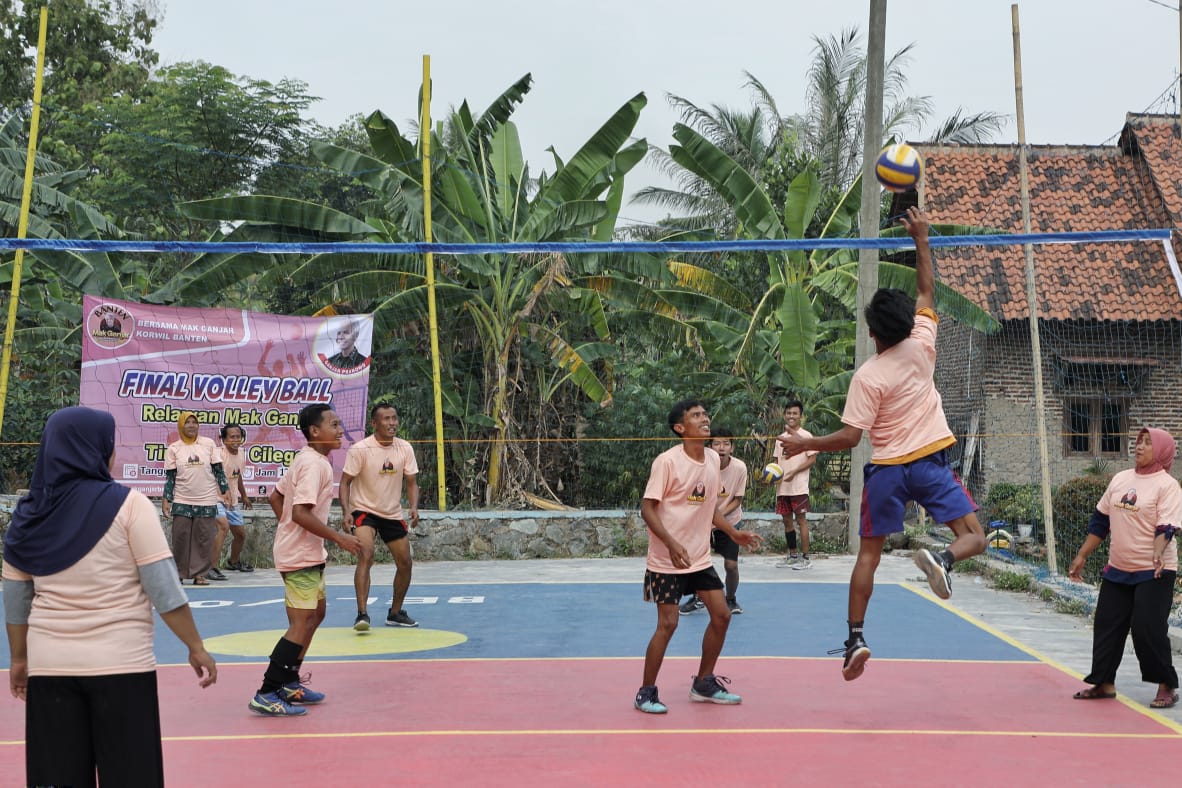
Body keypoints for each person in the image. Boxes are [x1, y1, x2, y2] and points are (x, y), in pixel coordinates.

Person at [778, 206, 986, 682]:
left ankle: (855, 637)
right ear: (905, 325)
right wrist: (921, 238)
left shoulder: (867, 376)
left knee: (868, 556)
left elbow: (851, 438)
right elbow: (927, 290)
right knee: (973, 536)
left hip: (888, 470)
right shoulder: (924, 344)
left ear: (872, 332)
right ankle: (944, 560)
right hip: (930, 464)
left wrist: (801, 445)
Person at [3, 407, 217, 786]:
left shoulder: (28, 514)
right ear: (99, 450)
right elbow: (164, 589)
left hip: (50, 667)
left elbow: (17, 599)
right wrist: (195, 646)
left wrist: (19, 659)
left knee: (57, 777)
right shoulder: (130, 505)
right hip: (123, 668)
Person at [635, 399, 762, 714]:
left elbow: (710, 507)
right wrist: (671, 542)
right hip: (667, 560)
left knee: (722, 615)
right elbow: (647, 508)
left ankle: (703, 683)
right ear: (681, 428)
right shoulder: (666, 462)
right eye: (696, 416)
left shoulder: (711, 459)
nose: (705, 419)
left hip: (699, 559)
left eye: (705, 414)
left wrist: (733, 534)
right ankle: (645, 692)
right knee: (668, 624)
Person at [249, 404, 362, 716]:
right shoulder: (315, 465)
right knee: (301, 622)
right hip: (300, 555)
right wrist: (339, 537)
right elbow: (299, 512)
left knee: (317, 614)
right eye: (334, 425)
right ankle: (268, 691)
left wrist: (288, 529)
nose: (340, 430)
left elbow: (276, 497)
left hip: (306, 552)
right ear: (315, 431)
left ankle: (289, 682)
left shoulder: (308, 459)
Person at [1068, 427, 1181, 709]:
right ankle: (1104, 683)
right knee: (1107, 625)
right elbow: (1100, 522)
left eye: (1147, 443)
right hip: (1118, 568)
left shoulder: (1167, 486)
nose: (1139, 447)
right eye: (1138, 441)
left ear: (1163, 451)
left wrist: (1156, 555)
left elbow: (1166, 527)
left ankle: (1166, 684)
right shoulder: (1120, 480)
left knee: (1147, 628)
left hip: (1155, 570)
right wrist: (1082, 555)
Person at [339, 402, 421, 630]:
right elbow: (345, 482)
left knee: (405, 563)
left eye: (394, 418)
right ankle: (362, 614)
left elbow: (412, 482)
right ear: (374, 423)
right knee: (367, 555)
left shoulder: (405, 448)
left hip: (392, 513)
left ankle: (395, 613)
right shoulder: (360, 449)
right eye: (386, 419)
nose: (392, 423)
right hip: (363, 510)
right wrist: (346, 511)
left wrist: (413, 506)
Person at [679, 427, 748, 615]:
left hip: (730, 522)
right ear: (710, 447)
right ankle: (698, 598)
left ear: (732, 447)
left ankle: (731, 599)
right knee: (696, 564)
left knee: (731, 566)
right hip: (702, 524)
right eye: (717, 443)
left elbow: (737, 500)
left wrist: (717, 517)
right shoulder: (700, 467)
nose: (721, 447)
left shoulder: (740, 468)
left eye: (726, 443)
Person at [163, 411, 232, 584]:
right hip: (181, 500)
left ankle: (199, 574)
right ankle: (178, 573)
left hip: (206, 499)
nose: (192, 425)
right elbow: (170, 478)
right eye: (188, 422)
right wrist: (166, 499)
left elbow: (218, 470)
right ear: (181, 425)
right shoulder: (174, 448)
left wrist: (225, 490)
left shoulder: (208, 444)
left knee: (203, 538)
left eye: (194, 422)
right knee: (180, 538)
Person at [773, 400, 818, 569]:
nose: (791, 416)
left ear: (801, 416)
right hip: (782, 488)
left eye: (795, 413)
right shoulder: (780, 439)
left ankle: (806, 558)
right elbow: (776, 463)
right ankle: (792, 555)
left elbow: (812, 459)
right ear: (784, 415)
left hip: (799, 487)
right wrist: (773, 476)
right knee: (787, 522)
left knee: (801, 520)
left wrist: (794, 472)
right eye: (789, 413)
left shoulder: (806, 436)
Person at [216, 424, 255, 573]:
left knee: (240, 534)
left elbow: (237, 476)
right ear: (224, 439)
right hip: (217, 499)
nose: (236, 440)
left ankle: (233, 562)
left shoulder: (241, 453)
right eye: (232, 437)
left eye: (238, 436)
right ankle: (211, 567)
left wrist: (244, 495)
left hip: (232, 501)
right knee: (223, 527)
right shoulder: (219, 454)